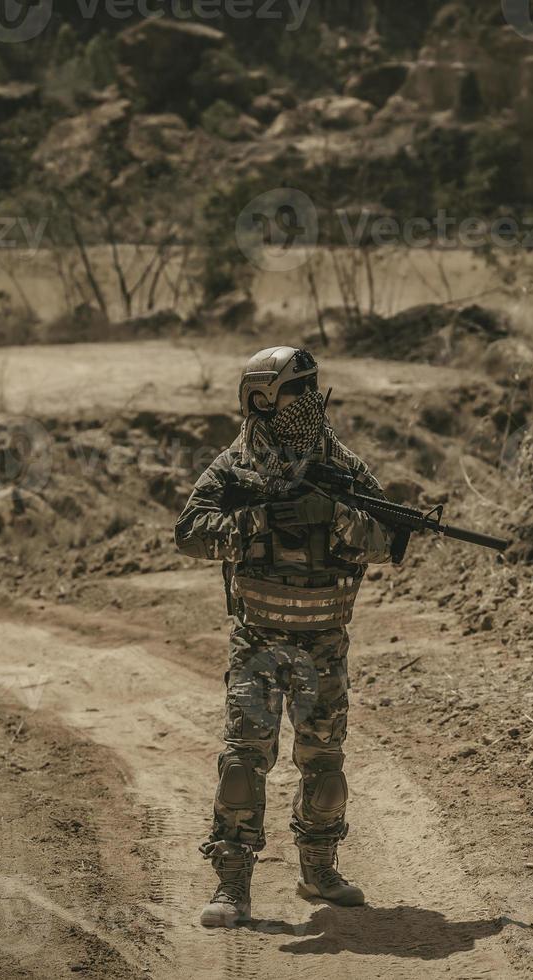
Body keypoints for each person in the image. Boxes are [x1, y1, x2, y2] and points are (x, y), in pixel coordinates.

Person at [174, 346, 406, 929]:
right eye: (297, 390)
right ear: (263, 399)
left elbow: (388, 538)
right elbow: (189, 533)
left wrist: (334, 517)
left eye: (312, 388)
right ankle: (232, 885)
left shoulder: (341, 466)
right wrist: (260, 519)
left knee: (324, 766)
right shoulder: (233, 468)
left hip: (324, 641)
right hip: (258, 642)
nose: (309, 400)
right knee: (243, 764)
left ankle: (320, 871)